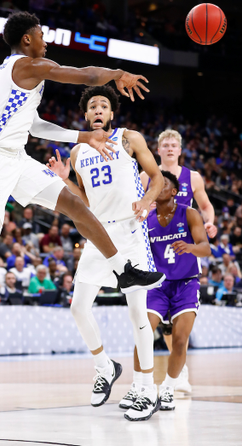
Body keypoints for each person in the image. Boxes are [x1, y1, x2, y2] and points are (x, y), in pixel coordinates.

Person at [0, 11, 163, 365]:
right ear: (27, 39)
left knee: (74, 204)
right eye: (41, 34)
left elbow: (34, 125)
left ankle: (122, 269)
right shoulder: (26, 66)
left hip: (15, 157)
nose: (46, 40)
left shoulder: (14, 75)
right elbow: (83, 75)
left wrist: (84, 136)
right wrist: (117, 74)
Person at [47, 84, 164, 421]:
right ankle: (104, 366)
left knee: (136, 312)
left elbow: (155, 177)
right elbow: (82, 202)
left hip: (129, 230)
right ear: (85, 115)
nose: (97, 111)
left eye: (103, 106)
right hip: (98, 233)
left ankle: (146, 389)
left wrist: (145, 201)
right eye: (92, 107)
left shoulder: (130, 138)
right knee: (78, 308)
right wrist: (64, 181)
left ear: (112, 113)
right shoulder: (76, 152)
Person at [126, 171, 210, 411]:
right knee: (143, 334)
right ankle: (138, 387)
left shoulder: (189, 213)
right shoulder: (146, 219)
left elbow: (206, 249)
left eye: (162, 185)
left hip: (186, 284)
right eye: (153, 184)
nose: (156, 187)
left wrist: (191, 247)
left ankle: (168, 389)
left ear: (174, 191)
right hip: (157, 285)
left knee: (181, 341)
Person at [140, 128, 217, 391]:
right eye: (166, 145)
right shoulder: (146, 176)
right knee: (157, 325)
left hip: (182, 252)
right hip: (157, 249)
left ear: (180, 150)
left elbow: (205, 206)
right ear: (158, 150)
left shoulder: (192, 177)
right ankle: (144, 384)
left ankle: (177, 376)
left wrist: (210, 223)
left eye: (174, 145)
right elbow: (136, 205)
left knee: (176, 327)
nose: (170, 148)